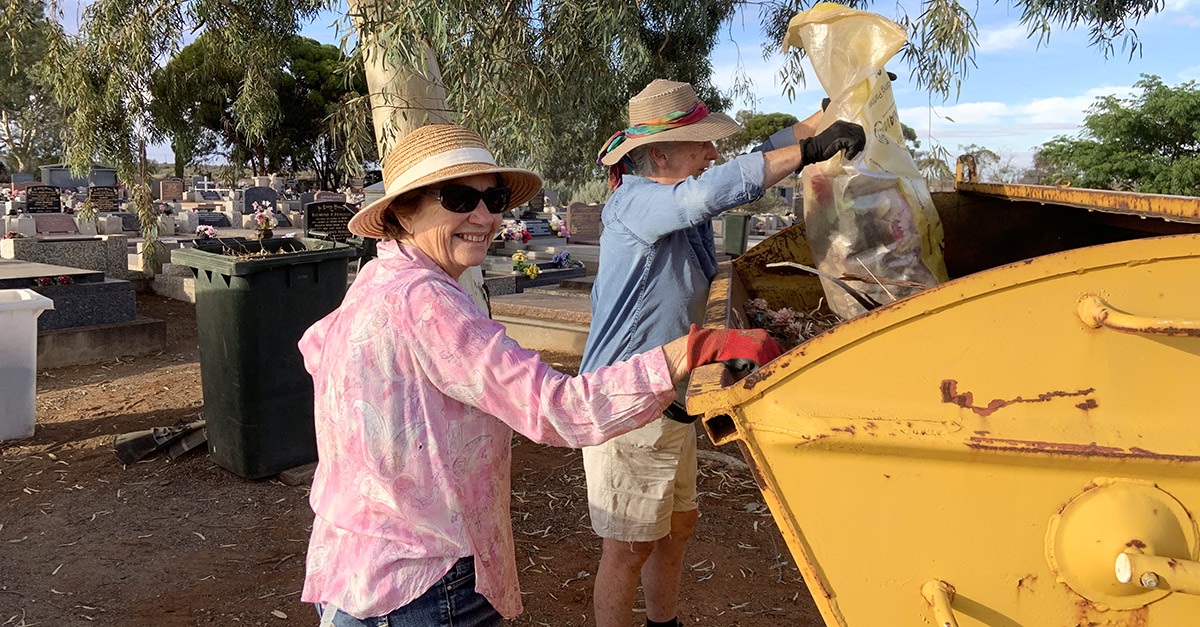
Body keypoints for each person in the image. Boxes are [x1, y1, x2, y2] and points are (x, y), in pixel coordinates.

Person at [297, 123, 782, 627]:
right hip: (423, 581)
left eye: (495, 197)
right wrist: (693, 349)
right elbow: (558, 409)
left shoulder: (377, 284)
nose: (484, 217)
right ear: (403, 212)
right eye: (460, 198)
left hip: (355, 571)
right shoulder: (425, 302)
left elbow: (316, 352)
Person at [583, 79, 866, 627]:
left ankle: (664, 622)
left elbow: (748, 163)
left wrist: (829, 113)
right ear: (659, 153)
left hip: (672, 399)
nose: (714, 153)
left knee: (676, 526)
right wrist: (808, 151)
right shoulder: (637, 203)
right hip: (627, 407)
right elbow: (707, 192)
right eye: (702, 143)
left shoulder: (669, 203)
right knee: (626, 549)